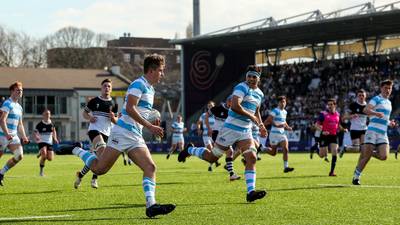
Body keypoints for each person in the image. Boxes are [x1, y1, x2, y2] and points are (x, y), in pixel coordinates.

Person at [71, 54, 175, 218]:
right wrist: (150, 126)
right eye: (161, 71)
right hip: (123, 132)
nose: (162, 74)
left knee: (150, 167)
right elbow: (130, 108)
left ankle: (151, 205)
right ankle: (76, 149)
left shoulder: (150, 88)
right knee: (100, 168)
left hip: (135, 135)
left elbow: (138, 111)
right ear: (152, 70)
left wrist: (150, 118)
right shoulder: (138, 84)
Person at [178, 65, 267, 202]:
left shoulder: (260, 94)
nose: (250, 79)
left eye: (254, 76)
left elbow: (256, 111)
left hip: (245, 131)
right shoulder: (241, 87)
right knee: (212, 158)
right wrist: (251, 117)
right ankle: (190, 149)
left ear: (258, 79)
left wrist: (261, 125)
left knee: (252, 157)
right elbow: (236, 106)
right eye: (249, 76)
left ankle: (251, 192)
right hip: (230, 128)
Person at [74, 79, 118, 189]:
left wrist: (113, 118)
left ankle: (80, 175)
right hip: (94, 131)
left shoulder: (114, 104)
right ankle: (94, 179)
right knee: (101, 154)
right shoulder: (94, 101)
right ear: (101, 88)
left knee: (96, 158)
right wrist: (90, 118)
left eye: (109, 86)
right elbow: (84, 113)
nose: (107, 88)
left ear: (111, 89)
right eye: (105, 86)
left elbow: (116, 121)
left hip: (107, 133)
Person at [352, 80, 396, 185]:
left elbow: (384, 118)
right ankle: (356, 176)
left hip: (383, 133)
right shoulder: (376, 99)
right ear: (381, 88)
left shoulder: (389, 103)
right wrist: (376, 113)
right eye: (386, 88)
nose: (388, 90)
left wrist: (390, 123)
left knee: (384, 156)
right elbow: (366, 110)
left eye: (389, 88)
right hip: (372, 131)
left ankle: (367, 152)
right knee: (366, 157)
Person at [0, 81, 29, 186]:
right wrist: (7, 134)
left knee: (19, 156)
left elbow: (20, 124)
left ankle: (1, 173)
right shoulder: (7, 103)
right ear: (12, 91)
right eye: (18, 90)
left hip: (13, 136)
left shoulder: (19, 107)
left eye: (21, 91)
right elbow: (2, 120)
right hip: (2, 135)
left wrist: (24, 137)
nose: (20, 92)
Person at [209, 96, 241, 181]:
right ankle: (232, 174)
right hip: (217, 133)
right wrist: (209, 127)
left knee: (213, 157)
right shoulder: (217, 108)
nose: (233, 104)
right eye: (232, 102)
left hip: (226, 134)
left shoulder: (233, 111)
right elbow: (207, 114)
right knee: (229, 152)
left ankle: (190, 150)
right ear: (228, 102)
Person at [263, 96, 294, 173]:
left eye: (284, 102)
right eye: (282, 102)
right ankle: (262, 148)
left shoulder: (285, 112)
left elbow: (284, 121)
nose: (283, 103)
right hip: (274, 134)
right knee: (273, 153)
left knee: (286, 149)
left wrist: (288, 127)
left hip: (282, 134)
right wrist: (276, 125)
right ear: (279, 103)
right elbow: (269, 119)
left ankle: (286, 167)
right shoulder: (275, 110)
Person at [316, 98, 347, 176]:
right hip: (324, 136)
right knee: (322, 155)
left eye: (331, 104)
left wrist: (343, 129)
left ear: (335, 105)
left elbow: (337, 125)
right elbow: (316, 125)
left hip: (333, 135)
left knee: (334, 152)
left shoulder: (337, 114)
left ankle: (332, 172)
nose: (329, 106)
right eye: (328, 104)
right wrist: (322, 131)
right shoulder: (323, 114)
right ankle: (316, 148)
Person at [339, 89, 367, 158]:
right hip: (355, 129)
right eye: (359, 95)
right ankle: (345, 148)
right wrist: (351, 116)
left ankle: (361, 164)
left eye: (362, 95)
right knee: (356, 149)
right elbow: (344, 118)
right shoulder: (353, 105)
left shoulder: (368, 106)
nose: (361, 97)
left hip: (364, 129)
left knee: (364, 149)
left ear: (365, 96)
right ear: (357, 96)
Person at [33, 109, 59, 176]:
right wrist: (36, 137)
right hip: (41, 141)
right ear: (43, 115)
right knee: (44, 156)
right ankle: (41, 172)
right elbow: (35, 132)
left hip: (49, 142)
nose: (47, 115)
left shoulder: (51, 124)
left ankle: (41, 153)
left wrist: (55, 138)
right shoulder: (40, 124)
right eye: (46, 114)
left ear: (50, 115)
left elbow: (54, 131)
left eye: (48, 114)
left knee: (50, 158)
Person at [197, 101, 221, 171]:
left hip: (214, 135)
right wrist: (198, 129)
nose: (210, 107)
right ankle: (215, 163)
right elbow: (198, 122)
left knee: (215, 151)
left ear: (214, 106)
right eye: (209, 106)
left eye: (211, 106)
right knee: (210, 149)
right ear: (207, 107)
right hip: (206, 135)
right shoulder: (204, 115)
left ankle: (211, 165)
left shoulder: (216, 114)